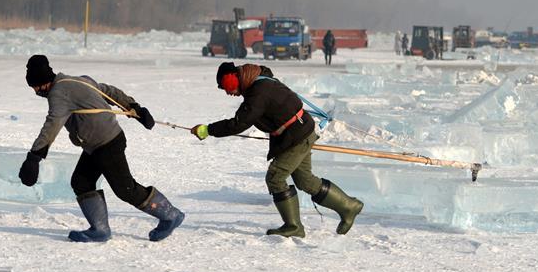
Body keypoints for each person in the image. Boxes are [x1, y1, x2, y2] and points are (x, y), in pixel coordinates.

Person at [19, 54, 184, 243]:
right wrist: (133, 106)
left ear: (43, 82)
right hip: (96, 146)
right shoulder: (79, 80)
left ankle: (170, 215)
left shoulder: (58, 93)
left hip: (107, 143)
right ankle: (100, 229)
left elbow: (52, 124)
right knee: (81, 182)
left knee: (126, 189)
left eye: (35, 88)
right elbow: (108, 91)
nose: (36, 92)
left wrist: (34, 157)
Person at [190, 62, 363, 238]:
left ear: (235, 78)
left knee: (275, 177)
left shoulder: (259, 92)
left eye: (227, 86)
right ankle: (348, 206)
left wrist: (208, 130)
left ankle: (294, 226)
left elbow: (239, 123)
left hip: (296, 136)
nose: (228, 92)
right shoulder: (258, 83)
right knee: (305, 180)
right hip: (300, 133)